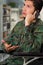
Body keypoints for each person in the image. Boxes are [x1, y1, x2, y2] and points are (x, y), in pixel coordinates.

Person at [2, 0, 43, 65]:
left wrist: (27, 25)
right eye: (24, 5)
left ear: (36, 12)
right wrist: (6, 48)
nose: (23, 8)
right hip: (9, 61)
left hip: (23, 62)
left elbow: (31, 51)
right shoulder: (19, 24)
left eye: (28, 6)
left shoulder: (40, 27)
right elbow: (6, 42)